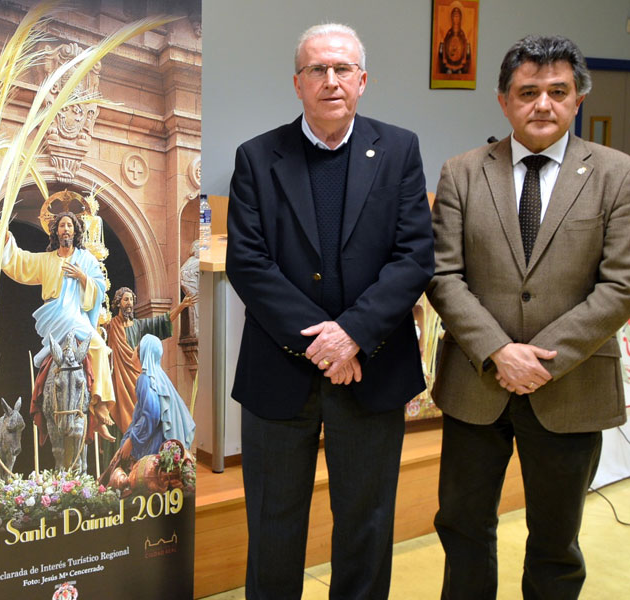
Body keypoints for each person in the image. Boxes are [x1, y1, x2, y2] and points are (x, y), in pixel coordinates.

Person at [226, 23, 433, 599]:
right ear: (297, 83)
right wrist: (324, 344)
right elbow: (248, 263)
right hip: (279, 373)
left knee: (366, 528)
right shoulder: (256, 157)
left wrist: (354, 334)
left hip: (372, 369)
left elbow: (414, 256)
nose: (331, 80)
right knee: (272, 529)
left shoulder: (399, 150)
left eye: (342, 69)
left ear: (363, 80)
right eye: (317, 69)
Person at [427, 35, 630, 599]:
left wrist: (541, 360)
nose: (543, 104)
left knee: (556, 542)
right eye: (528, 92)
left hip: (572, 386)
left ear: (578, 98)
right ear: (503, 100)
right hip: (476, 384)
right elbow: (442, 275)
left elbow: (621, 284)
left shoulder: (617, 174)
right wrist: (498, 351)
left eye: (558, 92)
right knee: (463, 528)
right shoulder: (463, 172)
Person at [0, 211, 116, 441]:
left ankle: (99, 406)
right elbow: (21, 262)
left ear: (75, 231)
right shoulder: (47, 260)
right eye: (62, 226)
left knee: (100, 348)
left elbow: (99, 288)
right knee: (97, 347)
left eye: (69, 225)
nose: (66, 229)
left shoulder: (86, 259)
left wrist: (82, 277)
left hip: (76, 316)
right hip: (55, 316)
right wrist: (7, 237)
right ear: (56, 232)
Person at [106, 286, 195, 433]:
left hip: (136, 378)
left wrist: (181, 306)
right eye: (126, 299)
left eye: (131, 300)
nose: (129, 303)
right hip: (118, 381)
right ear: (118, 303)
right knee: (119, 415)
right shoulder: (110, 327)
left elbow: (162, 321)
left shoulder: (139, 326)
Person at [438, 4, 471, 74]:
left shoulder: (462, 34)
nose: (456, 18)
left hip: (460, 67)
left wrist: (468, 43)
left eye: (457, 16)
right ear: (451, 18)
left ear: (460, 18)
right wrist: (442, 41)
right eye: (454, 16)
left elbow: (467, 54)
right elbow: (441, 52)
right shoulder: (448, 33)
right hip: (448, 66)